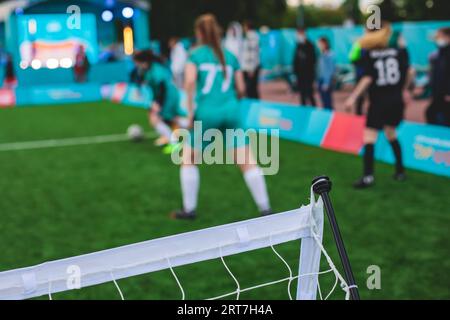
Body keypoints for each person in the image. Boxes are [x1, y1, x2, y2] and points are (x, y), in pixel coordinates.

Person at [172, 14, 272, 220]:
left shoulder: (196, 55)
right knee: (247, 161)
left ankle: (189, 209)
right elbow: (242, 88)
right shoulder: (230, 56)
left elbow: (189, 82)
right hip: (231, 111)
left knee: (188, 159)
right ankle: (265, 208)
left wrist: (190, 113)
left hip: (207, 113)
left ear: (199, 33)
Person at [345, 23, 412, 189]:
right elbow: (411, 72)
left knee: (369, 137)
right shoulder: (399, 51)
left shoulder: (370, 54)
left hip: (379, 101)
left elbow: (367, 78)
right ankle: (400, 171)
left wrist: (353, 98)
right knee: (391, 133)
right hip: (396, 101)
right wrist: (404, 89)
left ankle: (368, 177)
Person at [133, 50, 185, 153]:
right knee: (171, 119)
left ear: (144, 61)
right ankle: (197, 130)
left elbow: (162, 88)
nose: (136, 65)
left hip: (168, 97)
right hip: (165, 96)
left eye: (137, 62)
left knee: (155, 119)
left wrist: (158, 103)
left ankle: (174, 144)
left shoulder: (156, 70)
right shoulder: (148, 69)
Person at [426, 27, 450, 127]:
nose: (437, 39)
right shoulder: (439, 53)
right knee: (431, 114)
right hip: (437, 94)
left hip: (446, 95)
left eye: (440, 37)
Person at [293, 27, 317, 107]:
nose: (298, 36)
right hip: (300, 75)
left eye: (300, 34)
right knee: (302, 94)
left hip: (308, 74)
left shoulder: (310, 45)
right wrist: (295, 71)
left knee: (309, 94)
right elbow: (295, 60)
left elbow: (313, 60)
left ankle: (314, 109)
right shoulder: (298, 45)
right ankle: (303, 111)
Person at [241, 21, 261, 99]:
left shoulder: (251, 37)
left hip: (250, 68)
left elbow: (252, 54)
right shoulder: (254, 36)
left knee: (250, 90)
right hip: (252, 67)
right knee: (253, 89)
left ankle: (254, 106)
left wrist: (251, 69)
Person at [317, 37, 335, 110]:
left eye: (320, 44)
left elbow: (330, 70)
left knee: (328, 102)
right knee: (324, 102)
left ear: (325, 44)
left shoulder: (329, 54)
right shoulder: (322, 54)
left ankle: (330, 117)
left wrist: (326, 83)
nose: (319, 45)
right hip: (321, 80)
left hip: (326, 81)